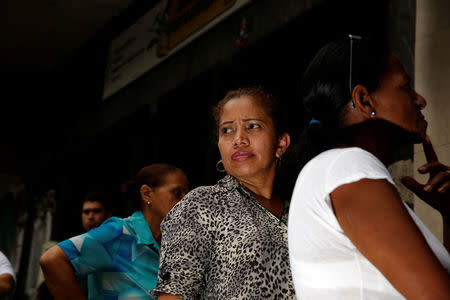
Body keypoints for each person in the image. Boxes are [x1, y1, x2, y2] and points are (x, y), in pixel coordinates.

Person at [288, 36, 450, 299]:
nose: (420, 100)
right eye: (406, 87)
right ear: (364, 100)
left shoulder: (333, 169)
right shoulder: (347, 165)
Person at [154, 87, 296, 299]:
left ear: (281, 143)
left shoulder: (299, 211)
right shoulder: (202, 205)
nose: (239, 139)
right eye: (227, 130)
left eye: (252, 126)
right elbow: (173, 294)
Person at [40, 164, 189, 300]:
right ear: (147, 194)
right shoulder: (119, 233)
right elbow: (52, 260)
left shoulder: (177, 244)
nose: (186, 202)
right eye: (177, 194)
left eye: (186, 195)